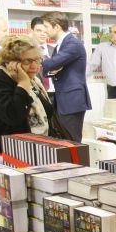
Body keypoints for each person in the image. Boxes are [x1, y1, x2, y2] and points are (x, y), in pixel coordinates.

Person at [0, 35, 54, 153]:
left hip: (36, 151)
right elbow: (14, 116)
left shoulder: (34, 81)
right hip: (1, 154)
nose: (34, 66)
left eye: (37, 60)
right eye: (28, 61)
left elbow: (48, 113)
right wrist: (23, 83)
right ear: (10, 62)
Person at [40, 12, 91, 142]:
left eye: (46, 26)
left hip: (72, 100)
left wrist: (37, 56)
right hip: (64, 99)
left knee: (73, 140)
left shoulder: (72, 44)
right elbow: (50, 69)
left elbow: (51, 64)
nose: (44, 30)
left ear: (56, 27)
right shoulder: (61, 44)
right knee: (64, 140)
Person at [87, 24, 116, 99]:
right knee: (112, 110)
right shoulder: (102, 47)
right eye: (110, 32)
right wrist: (79, 77)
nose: (112, 34)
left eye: (115, 32)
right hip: (112, 89)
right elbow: (92, 64)